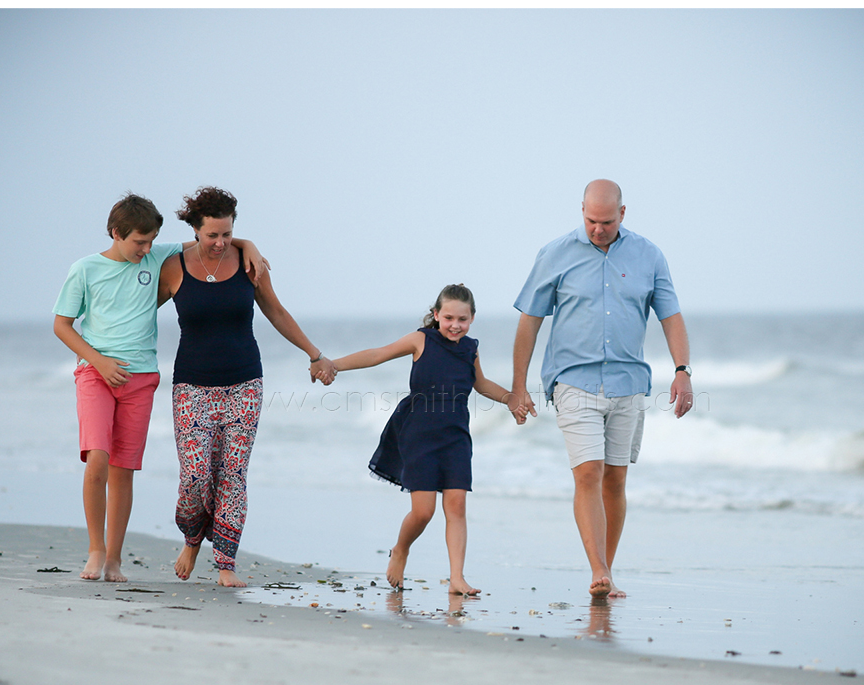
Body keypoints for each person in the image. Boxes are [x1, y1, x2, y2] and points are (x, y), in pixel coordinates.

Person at [53, 193, 268, 583]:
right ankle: (96, 550)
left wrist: (247, 243)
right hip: (96, 373)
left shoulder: (156, 257)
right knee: (97, 456)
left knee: (124, 469)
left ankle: (114, 559)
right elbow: (61, 325)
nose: (146, 249)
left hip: (141, 377)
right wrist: (98, 361)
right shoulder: (85, 269)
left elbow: (208, 239)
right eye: (139, 242)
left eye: (151, 241)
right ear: (116, 233)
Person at [510, 179, 693, 599]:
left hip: (629, 382)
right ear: (582, 211)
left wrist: (682, 370)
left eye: (607, 222)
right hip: (573, 379)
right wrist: (518, 385)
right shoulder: (554, 254)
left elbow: (671, 316)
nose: (598, 229)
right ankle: (598, 569)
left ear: (622, 214)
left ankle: (606, 571)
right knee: (589, 472)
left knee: (615, 480)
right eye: (591, 220)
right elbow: (529, 321)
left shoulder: (649, 255)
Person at [159, 186, 337, 588]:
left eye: (228, 234)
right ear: (195, 230)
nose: (221, 242)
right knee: (195, 477)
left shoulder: (248, 263)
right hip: (191, 386)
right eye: (212, 235)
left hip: (244, 384)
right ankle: (192, 537)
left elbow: (276, 310)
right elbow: (137, 311)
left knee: (233, 474)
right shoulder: (173, 268)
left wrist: (314, 354)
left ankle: (226, 562)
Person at [332, 284, 517, 595]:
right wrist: (333, 364)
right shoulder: (421, 340)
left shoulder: (470, 349)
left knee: (456, 506)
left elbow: (482, 383)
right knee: (423, 511)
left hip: (456, 436)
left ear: (472, 318)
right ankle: (401, 549)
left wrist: (510, 399)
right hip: (419, 434)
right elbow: (377, 355)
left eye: (462, 319)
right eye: (449, 318)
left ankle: (456, 578)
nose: (455, 325)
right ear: (436, 314)